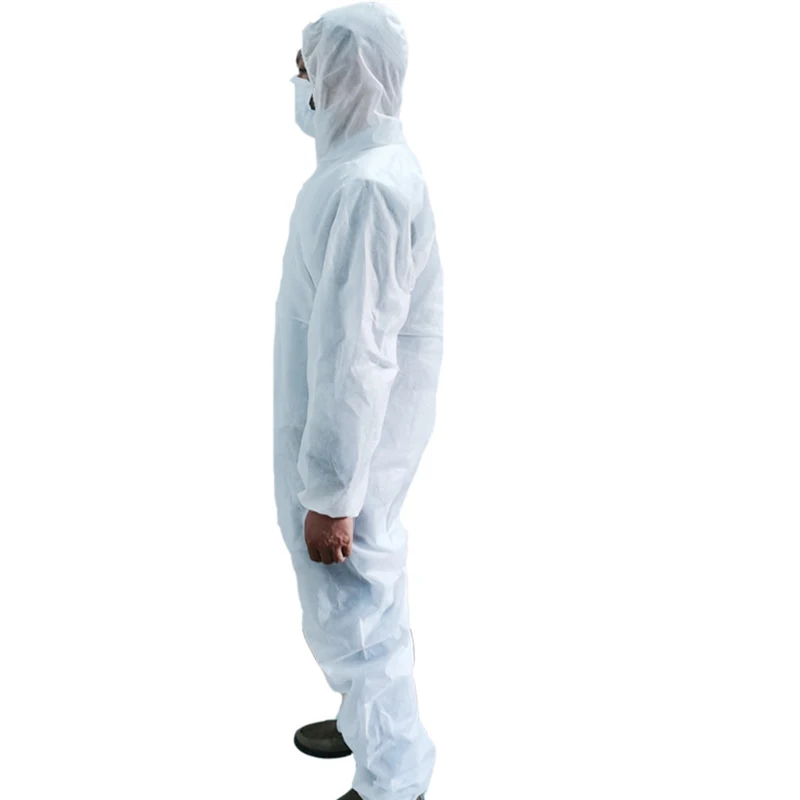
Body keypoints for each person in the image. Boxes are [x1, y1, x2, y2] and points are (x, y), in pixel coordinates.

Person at [273, 3, 443, 799]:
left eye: (305, 71)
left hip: (351, 445)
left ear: (342, 77)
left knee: (355, 602)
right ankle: (365, 720)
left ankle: (393, 778)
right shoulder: (362, 172)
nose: (298, 86)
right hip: (351, 437)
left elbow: (356, 353)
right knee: (365, 588)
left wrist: (332, 495)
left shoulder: (366, 188)